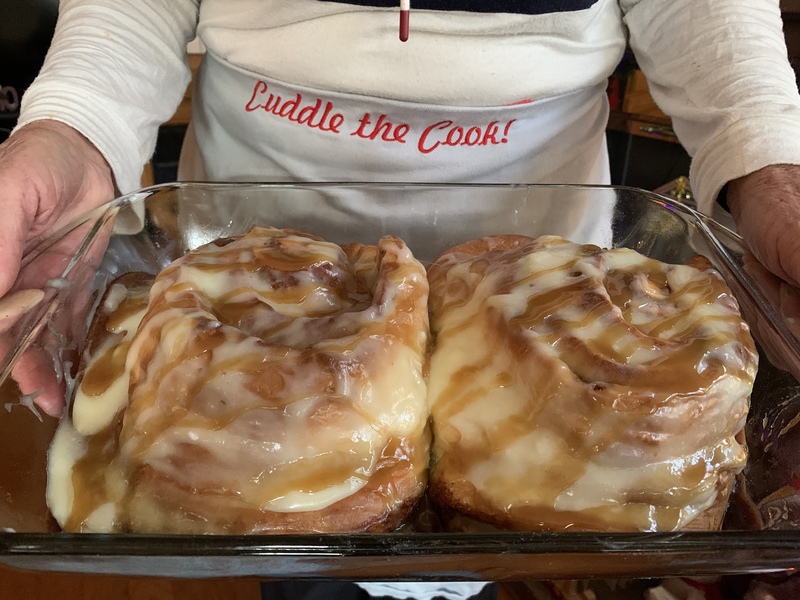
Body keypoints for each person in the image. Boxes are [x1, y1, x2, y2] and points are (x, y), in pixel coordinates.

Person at [0, 1, 799, 598]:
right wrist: (76, 128)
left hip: (552, 292)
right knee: (292, 541)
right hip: (228, 278)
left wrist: (767, 160)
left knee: (503, 538)